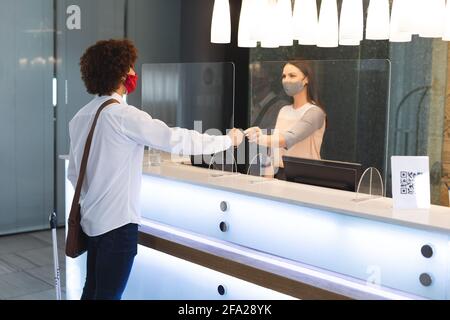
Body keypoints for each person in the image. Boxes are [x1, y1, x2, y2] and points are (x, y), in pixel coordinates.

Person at [67, 39, 243, 300]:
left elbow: (73, 173)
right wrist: (228, 140)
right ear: (121, 73)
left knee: (91, 291)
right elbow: (176, 139)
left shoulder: (80, 117)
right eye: (131, 67)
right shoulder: (124, 116)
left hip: (90, 223)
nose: (134, 73)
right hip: (117, 226)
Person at [245, 61, 326, 180]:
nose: (286, 80)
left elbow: (289, 138)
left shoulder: (314, 112)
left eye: (292, 76)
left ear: (306, 79)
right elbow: (273, 151)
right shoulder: (284, 110)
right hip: (281, 174)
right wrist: (267, 179)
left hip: (306, 176)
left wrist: (259, 137)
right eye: (284, 76)